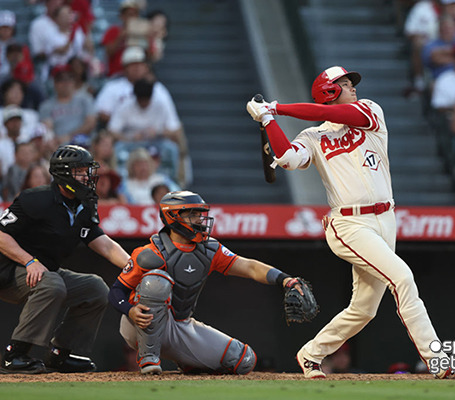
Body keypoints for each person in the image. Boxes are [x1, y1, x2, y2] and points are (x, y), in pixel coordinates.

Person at [245, 66, 453, 379]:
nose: (351, 87)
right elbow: (286, 158)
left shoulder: (370, 112)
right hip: (349, 224)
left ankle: (311, 354)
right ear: (328, 91)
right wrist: (268, 120)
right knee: (403, 278)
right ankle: (438, 360)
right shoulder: (313, 136)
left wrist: (276, 108)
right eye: (343, 84)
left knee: (364, 309)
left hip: (386, 217)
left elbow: (343, 113)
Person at [108, 190, 306, 374]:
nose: (199, 220)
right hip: (139, 324)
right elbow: (116, 291)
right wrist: (129, 311)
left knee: (242, 360)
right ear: (173, 216)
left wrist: (285, 279)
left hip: (180, 325)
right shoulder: (149, 252)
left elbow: (249, 267)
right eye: (192, 214)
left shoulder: (210, 249)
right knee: (156, 281)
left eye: (200, 214)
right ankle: (149, 358)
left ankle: (188, 361)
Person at [0, 145, 130, 374]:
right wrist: (30, 261)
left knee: (96, 288)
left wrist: (134, 267)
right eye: (80, 171)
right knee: (52, 283)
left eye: (87, 170)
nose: (87, 176)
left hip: (44, 272)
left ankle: (60, 355)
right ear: (64, 173)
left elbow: (104, 244)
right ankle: (15, 355)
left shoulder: (85, 203)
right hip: (9, 271)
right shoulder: (35, 199)